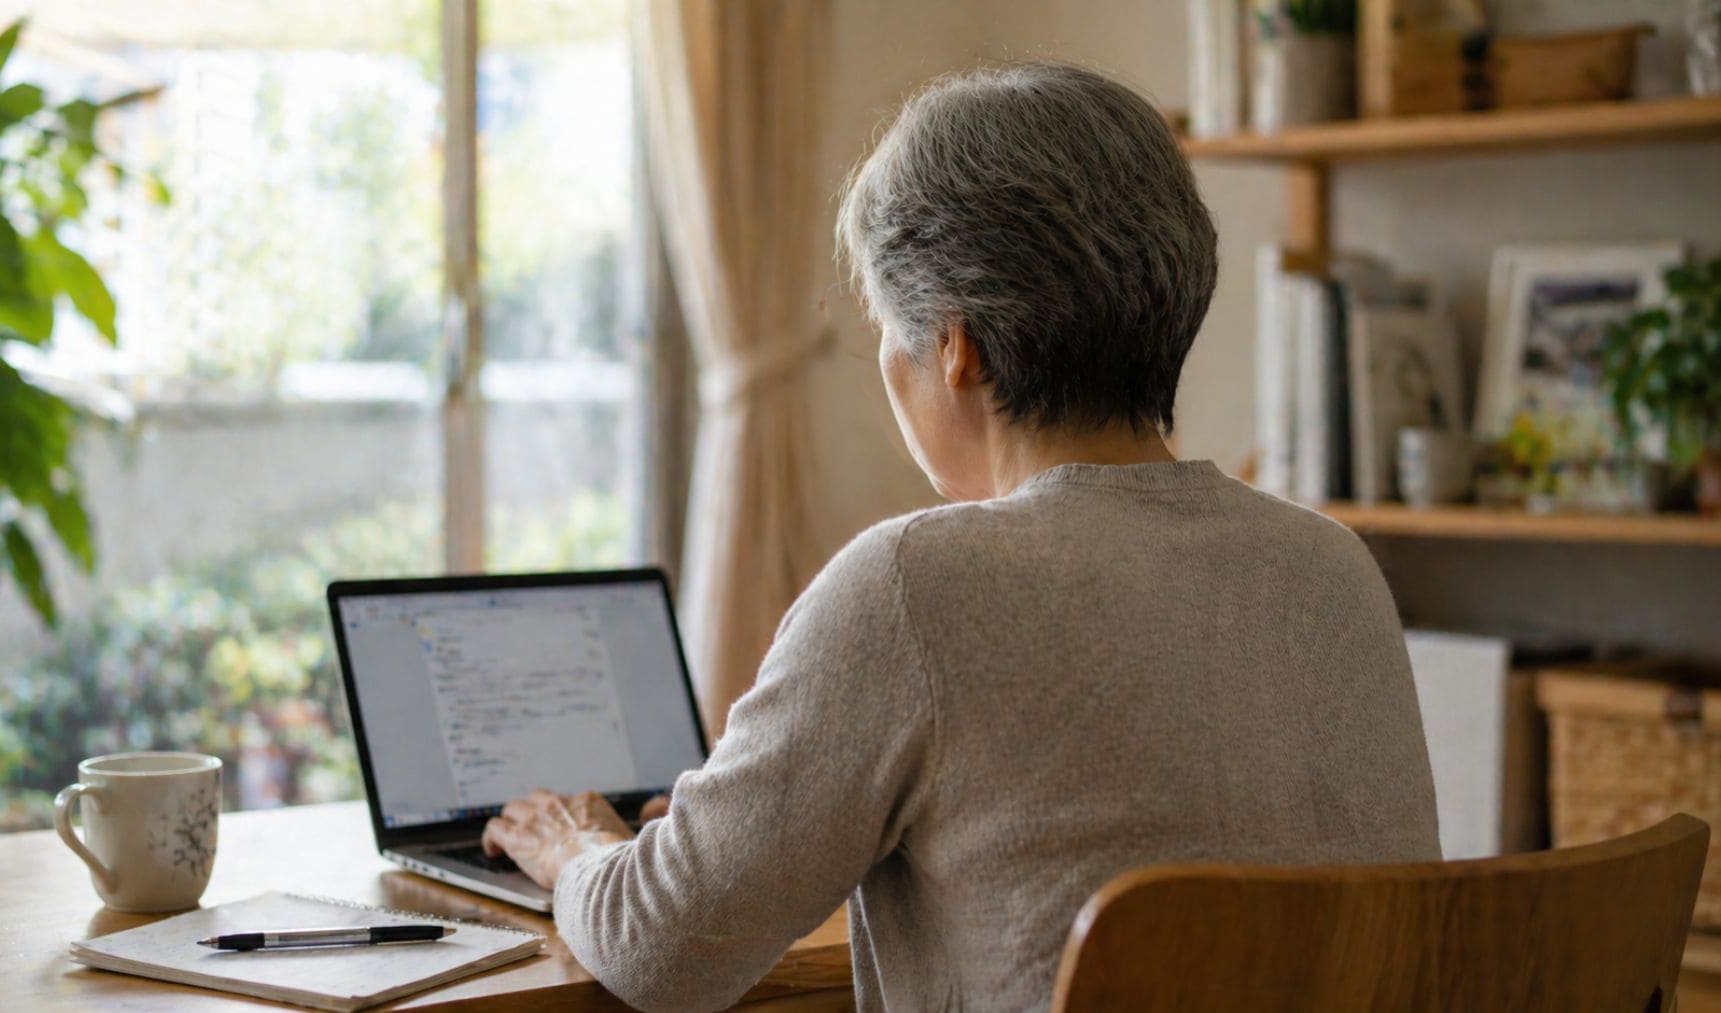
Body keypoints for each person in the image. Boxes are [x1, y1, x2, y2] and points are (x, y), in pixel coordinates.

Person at [481, 62, 1439, 1011]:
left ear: (953, 346)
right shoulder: (1331, 567)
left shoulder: (913, 583)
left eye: (890, 333)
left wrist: (576, 846)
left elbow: (662, 948)